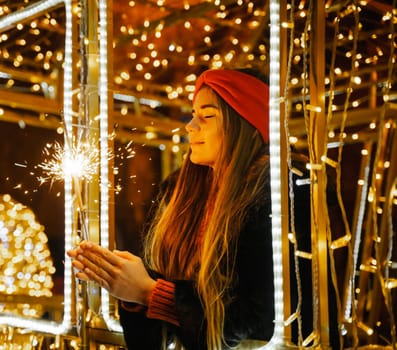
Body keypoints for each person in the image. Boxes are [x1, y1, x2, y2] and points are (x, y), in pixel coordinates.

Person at [68, 68, 274, 349]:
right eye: (193, 114)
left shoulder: (272, 197)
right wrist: (129, 290)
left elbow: (258, 323)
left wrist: (150, 293)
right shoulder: (177, 193)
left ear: (245, 124)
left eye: (208, 116)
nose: (191, 126)